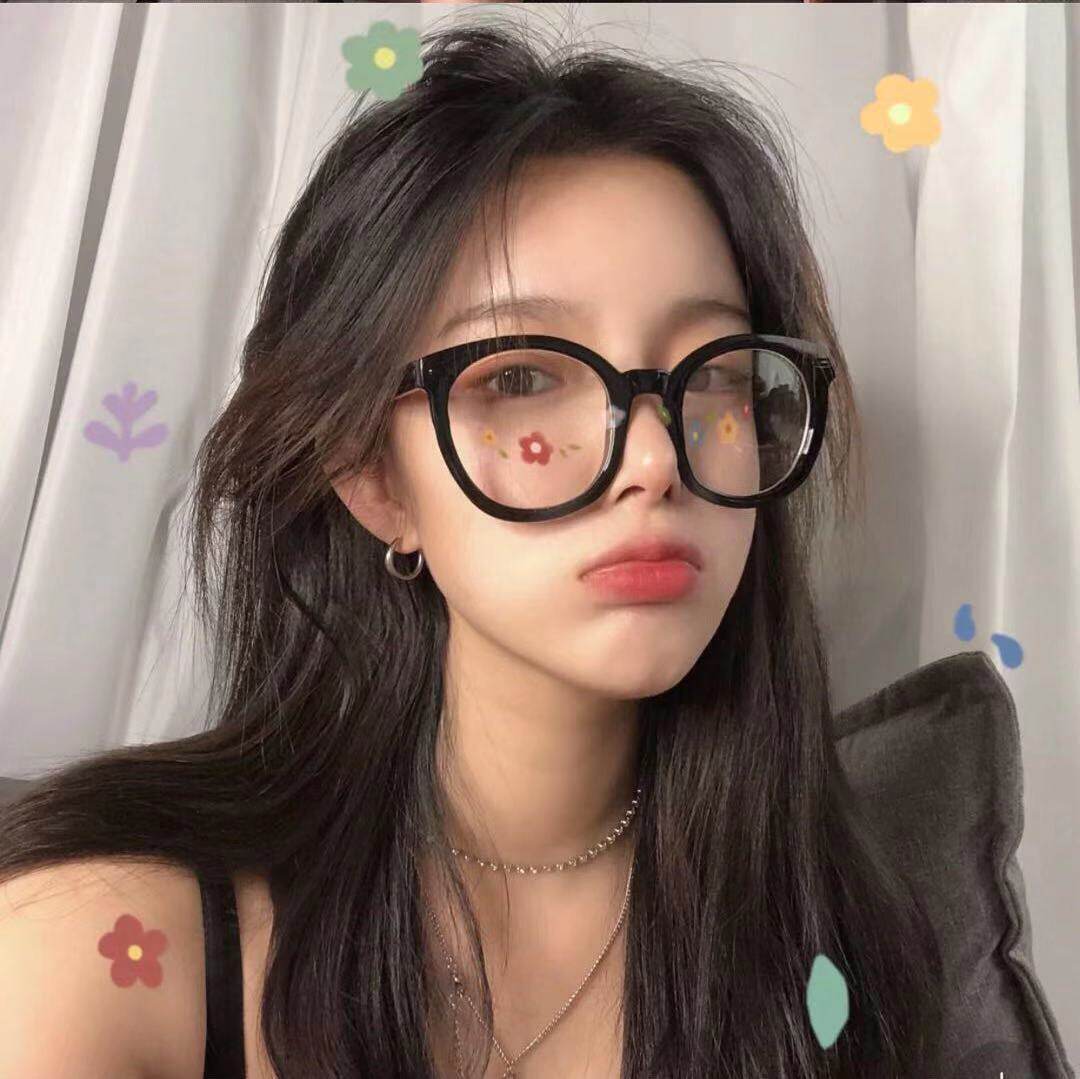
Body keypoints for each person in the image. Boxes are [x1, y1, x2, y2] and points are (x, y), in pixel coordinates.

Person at [0, 13, 945, 1078]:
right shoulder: (104, 946)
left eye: (714, 372)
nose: (654, 459)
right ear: (371, 476)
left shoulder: (830, 947)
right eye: (523, 377)